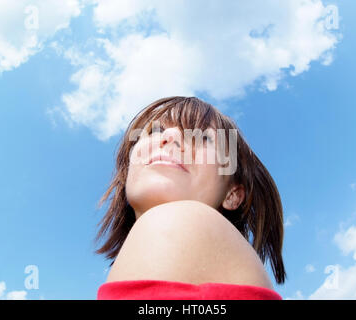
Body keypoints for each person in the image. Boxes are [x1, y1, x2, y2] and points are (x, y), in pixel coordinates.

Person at [95, 96, 286, 300]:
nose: (169, 135)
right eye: (155, 131)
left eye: (204, 137)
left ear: (232, 195)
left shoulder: (179, 218)